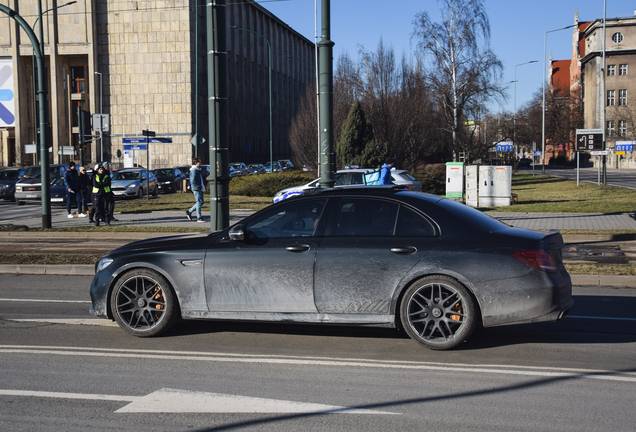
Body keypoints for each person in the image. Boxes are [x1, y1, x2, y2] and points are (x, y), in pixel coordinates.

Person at [186, 157, 206, 223]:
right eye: (199, 162)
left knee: (201, 202)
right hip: (196, 188)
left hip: (199, 188)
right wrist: (198, 186)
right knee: (199, 202)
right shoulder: (194, 170)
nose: (201, 163)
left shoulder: (198, 170)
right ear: (195, 163)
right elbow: (193, 180)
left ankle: (189, 211)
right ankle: (199, 217)